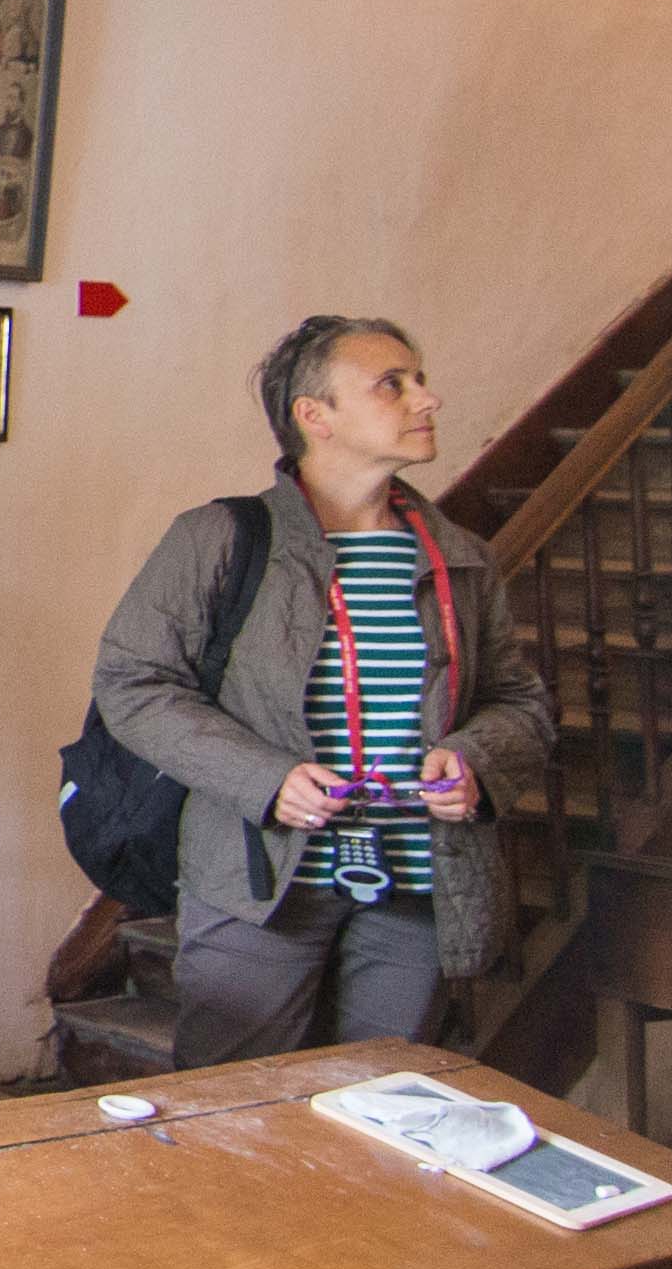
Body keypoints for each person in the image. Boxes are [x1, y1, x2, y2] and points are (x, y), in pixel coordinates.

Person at [90, 315, 552, 1062]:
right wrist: (266, 779)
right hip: (260, 880)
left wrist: (475, 759)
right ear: (315, 416)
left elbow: (519, 701)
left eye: (419, 380)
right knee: (234, 1104)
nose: (426, 399)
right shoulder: (220, 538)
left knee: (382, 1104)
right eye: (391, 385)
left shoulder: (460, 557)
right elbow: (133, 684)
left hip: (415, 883)